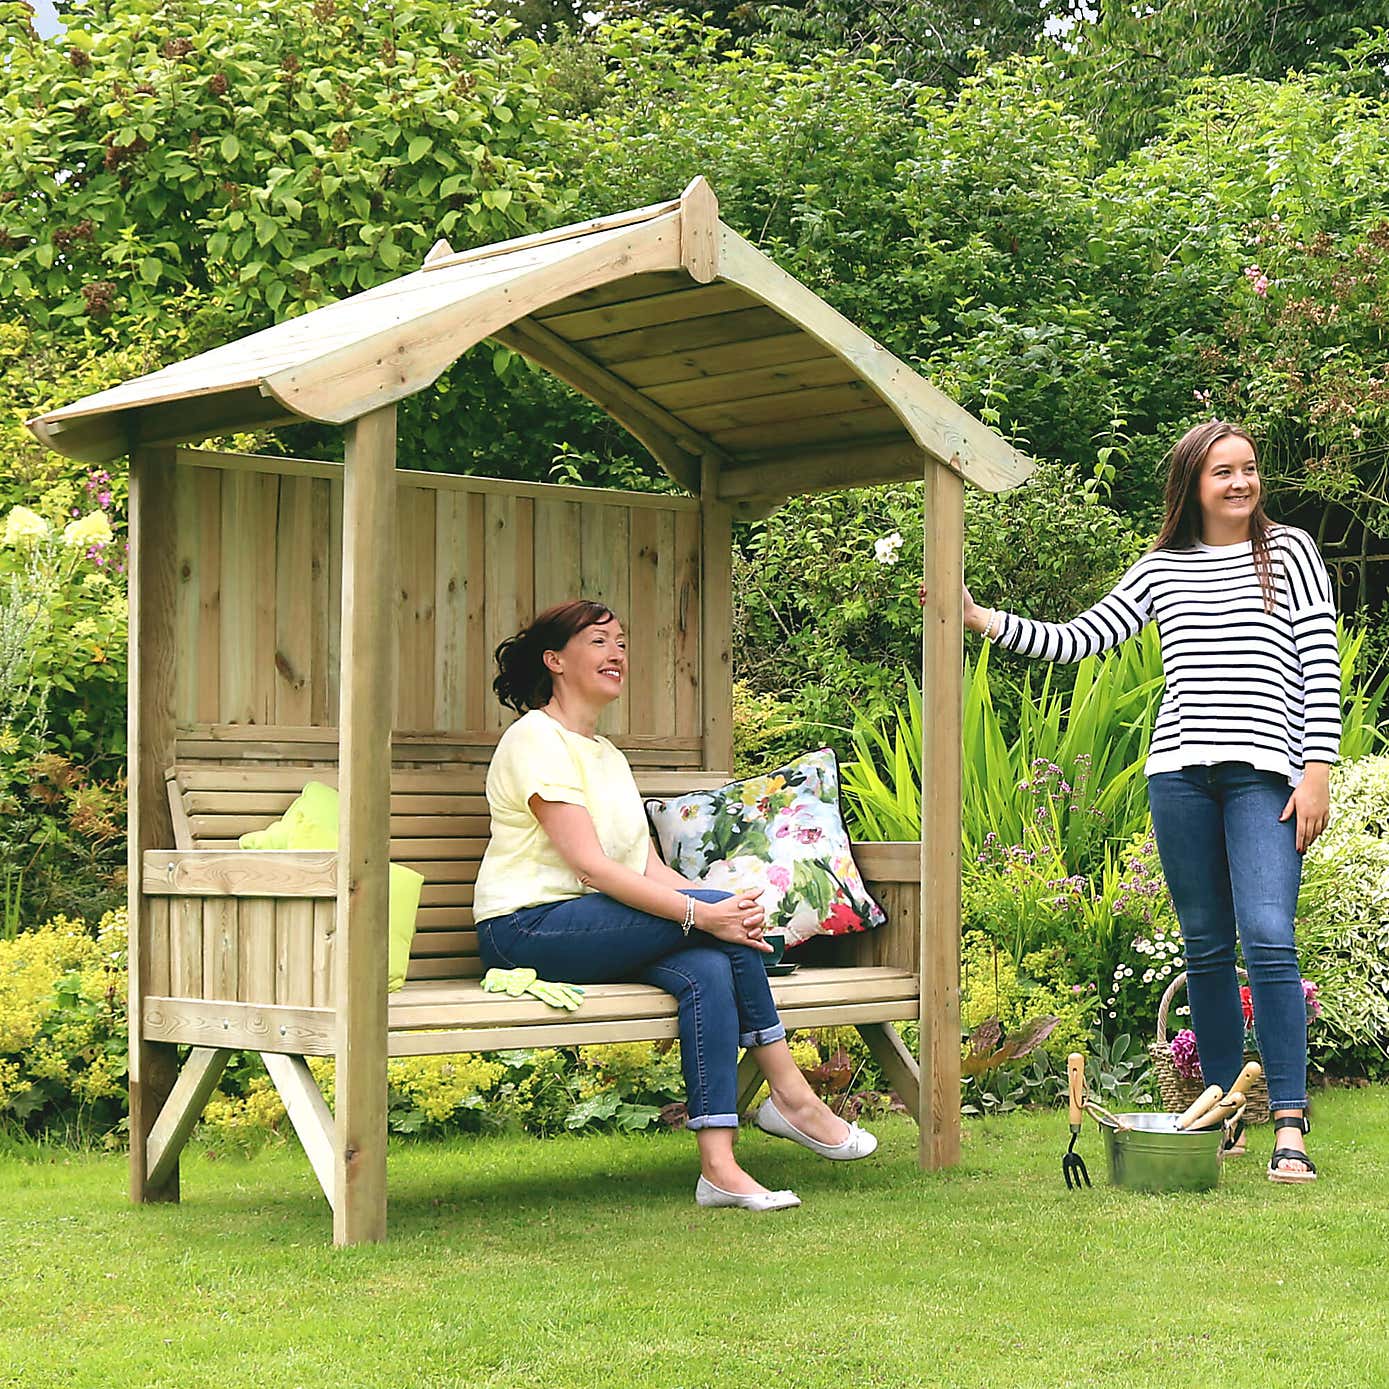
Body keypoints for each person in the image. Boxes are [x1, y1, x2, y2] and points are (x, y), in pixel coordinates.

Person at [945, 422, 1338, 1183]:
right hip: (1179, 775)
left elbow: (1318, 657)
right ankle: (1220, 1110)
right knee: (1205, 947)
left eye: (1248, 469)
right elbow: (1081, 637)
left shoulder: (1287, 551)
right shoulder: (1162, 566)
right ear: (1191, 483)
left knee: (1267, 937)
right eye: (1222, 471)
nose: (1239, 483)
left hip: (1267, 773)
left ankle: (1287, 1122)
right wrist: (981, 620)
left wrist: (1315, 768)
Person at [472, 599, 877, 1211]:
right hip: (526, 925)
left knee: (711, 966)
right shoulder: (536, 739)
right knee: (713, 927)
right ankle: (790, 1095)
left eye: (623, 643)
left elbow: (648, 868)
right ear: (554, 660)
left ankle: (719, 1168)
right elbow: (590, 867)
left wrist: (726, 905)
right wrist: (702, 914)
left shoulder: (606, 755)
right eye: (600, 642)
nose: (617, 654)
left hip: (601, 927)